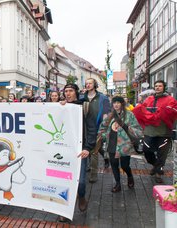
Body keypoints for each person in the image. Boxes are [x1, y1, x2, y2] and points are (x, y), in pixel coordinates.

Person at [133, 80, 177, 183]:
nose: (157, 88)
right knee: (146, 150)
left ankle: (158, 173)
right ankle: (155, 165)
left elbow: (174, 111)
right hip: (149, 131)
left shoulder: (170, 99)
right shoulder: (149, 99)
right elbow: (143, 110)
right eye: (156, 86)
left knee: (162, 154)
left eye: (160, 86)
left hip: (164, 132)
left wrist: (166, 110)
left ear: (164, 87)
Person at [98, 96, 143, 192]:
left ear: (122, 104)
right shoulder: (110, 115)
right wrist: (105, 135)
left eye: (118, 103)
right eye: (114, 103)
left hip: (125, 144)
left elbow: (138, 130)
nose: (116, 105)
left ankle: (130, 176)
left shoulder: (129, 115)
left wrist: (125, 127)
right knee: (114, 164)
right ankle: (117, 184)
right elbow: (102, 128)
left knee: (124, 165)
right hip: (112, 143)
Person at [58, 83, 89, 222]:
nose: (68, 93)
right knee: (64, 181)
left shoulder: (84, 107)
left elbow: (91, 128)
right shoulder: (61, 106)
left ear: (76, 92)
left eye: (70, 91)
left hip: (80, 150)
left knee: (81, 181)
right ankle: (64, 211)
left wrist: (88, 147)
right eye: (66, 91)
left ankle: (81, 196)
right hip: (63, 149)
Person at [82, 78, 110, 183]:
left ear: (95, 85)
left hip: (97, 128)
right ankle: (92, 164)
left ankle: (93, 174)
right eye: (86, 83)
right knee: (87, 148)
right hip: (84, 128)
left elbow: (107, 112)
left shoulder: (102, 98)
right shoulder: (82, 97)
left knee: (94, 152)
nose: (88, 85)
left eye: (90, 83)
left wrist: (104, 126)